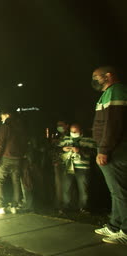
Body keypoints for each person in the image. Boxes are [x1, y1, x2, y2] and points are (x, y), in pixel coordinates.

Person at [91, 66, 127, 245]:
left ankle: (125, 231)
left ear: (108, 76)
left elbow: (113, 124)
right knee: (116, 191)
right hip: (112, 149)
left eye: (96, 77)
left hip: (116, 151)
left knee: (120, 191)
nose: (94, 80)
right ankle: (115, 225)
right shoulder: (109, 93)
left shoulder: (116, 91)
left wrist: (104, 149)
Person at [0, 109, 27, 214]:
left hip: (6, 157)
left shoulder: (6, 126)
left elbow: (0, 143)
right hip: (18, 158)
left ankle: (0, 206)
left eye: (2, 116)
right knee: (15, 182)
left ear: (7, 115)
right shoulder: (21, 126)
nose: (1, 119)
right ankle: (14, 206)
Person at [58, 123, 96, 213]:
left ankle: (83, 207)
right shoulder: (66, 139)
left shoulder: (89, 140)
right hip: (68, 166)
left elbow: (94, 152)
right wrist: (63, 149)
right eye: (72, 131)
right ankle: (66, 206)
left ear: (81, 131)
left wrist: (80, 150)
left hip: (83, 167)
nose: (73, 133)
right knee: (66, 188)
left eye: (75, 131)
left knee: (83, 189)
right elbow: (57, 149)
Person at [51, 120, 70, 209]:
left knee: (67, 184)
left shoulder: (70, 136)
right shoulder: (58, 135)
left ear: (67, 125)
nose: (59, 127)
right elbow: (54, 149)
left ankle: (66, 203)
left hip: (68, 163)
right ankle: (59, 203)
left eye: (61, 125)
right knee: (59, 183)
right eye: (58, 125)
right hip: (58, 162)